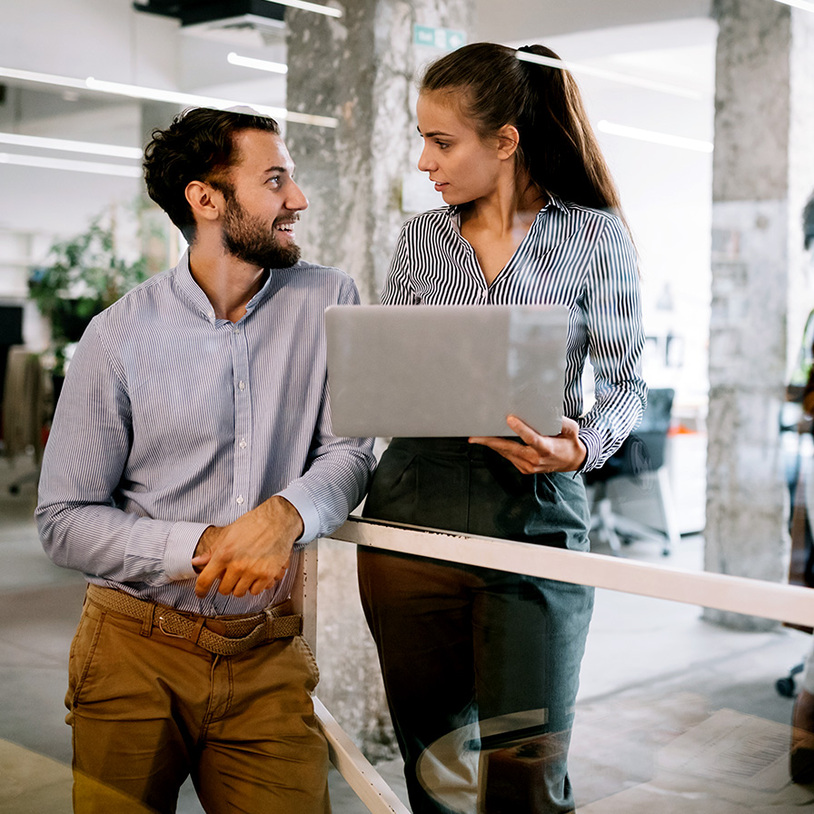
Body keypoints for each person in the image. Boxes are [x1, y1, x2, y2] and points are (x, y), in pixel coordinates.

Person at [36, 106, 376, 814]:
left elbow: (348, 453)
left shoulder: (331, 299)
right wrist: (204, 545)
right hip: (133, 648)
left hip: (267, 653)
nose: (298, 200)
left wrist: (287, 513)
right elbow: (63, 520)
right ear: (206, 199)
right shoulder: (117, 337)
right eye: (275, 180)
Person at [357, 43, 646, 814]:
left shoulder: (595, 236)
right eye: (422, 139)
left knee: (526, 772)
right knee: (436, 770)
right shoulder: (420, 240)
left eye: (441, 141)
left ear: (506, 141)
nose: (424, 161)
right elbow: (390, 372)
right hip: (411, 514)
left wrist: (576, 445)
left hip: (535, 514)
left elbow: (625, 385)